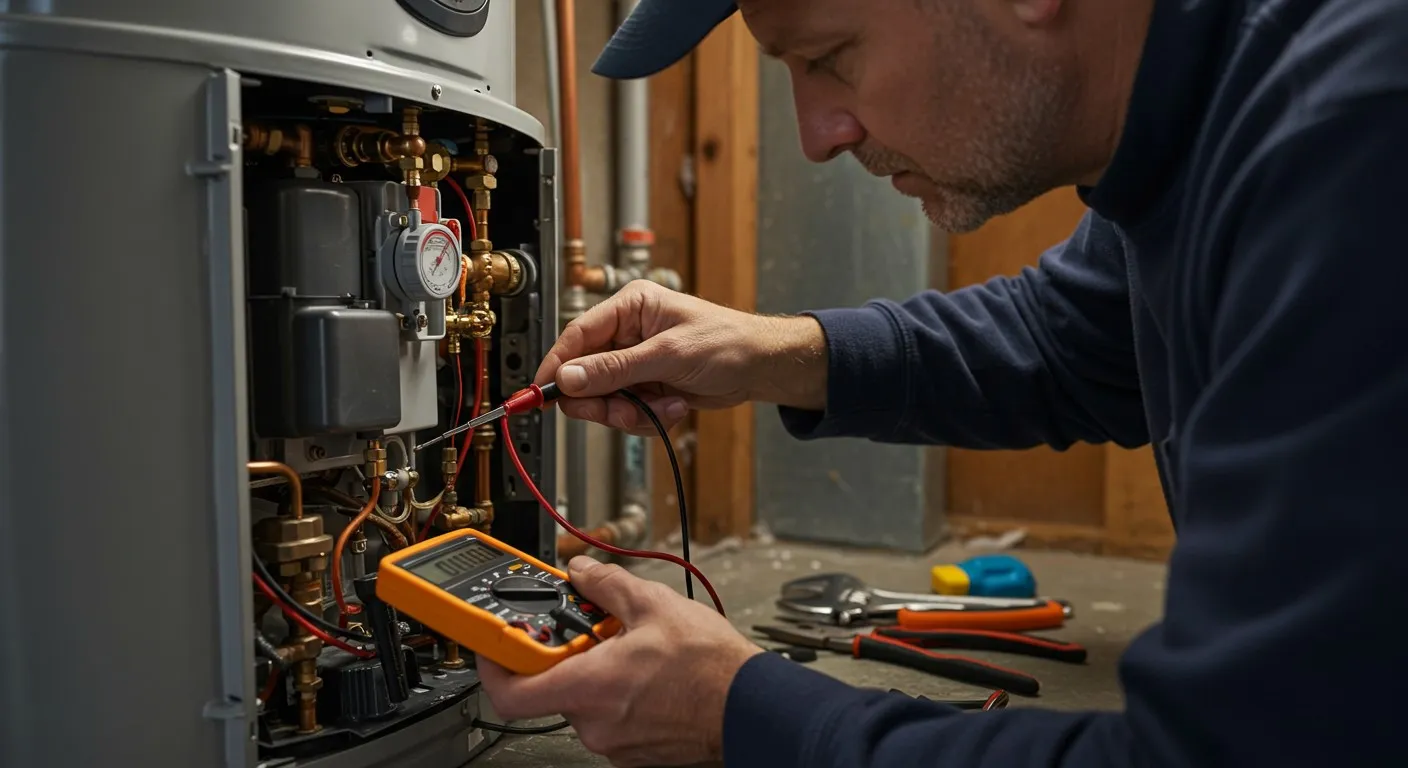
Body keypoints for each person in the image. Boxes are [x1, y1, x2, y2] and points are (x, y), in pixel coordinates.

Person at [476, 0, 1408, 765]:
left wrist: (739, 712)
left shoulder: (1351, 137)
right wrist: (771, 354)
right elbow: (1069, 339)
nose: (816, 137)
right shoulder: (1204, 128)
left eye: (832, 57)